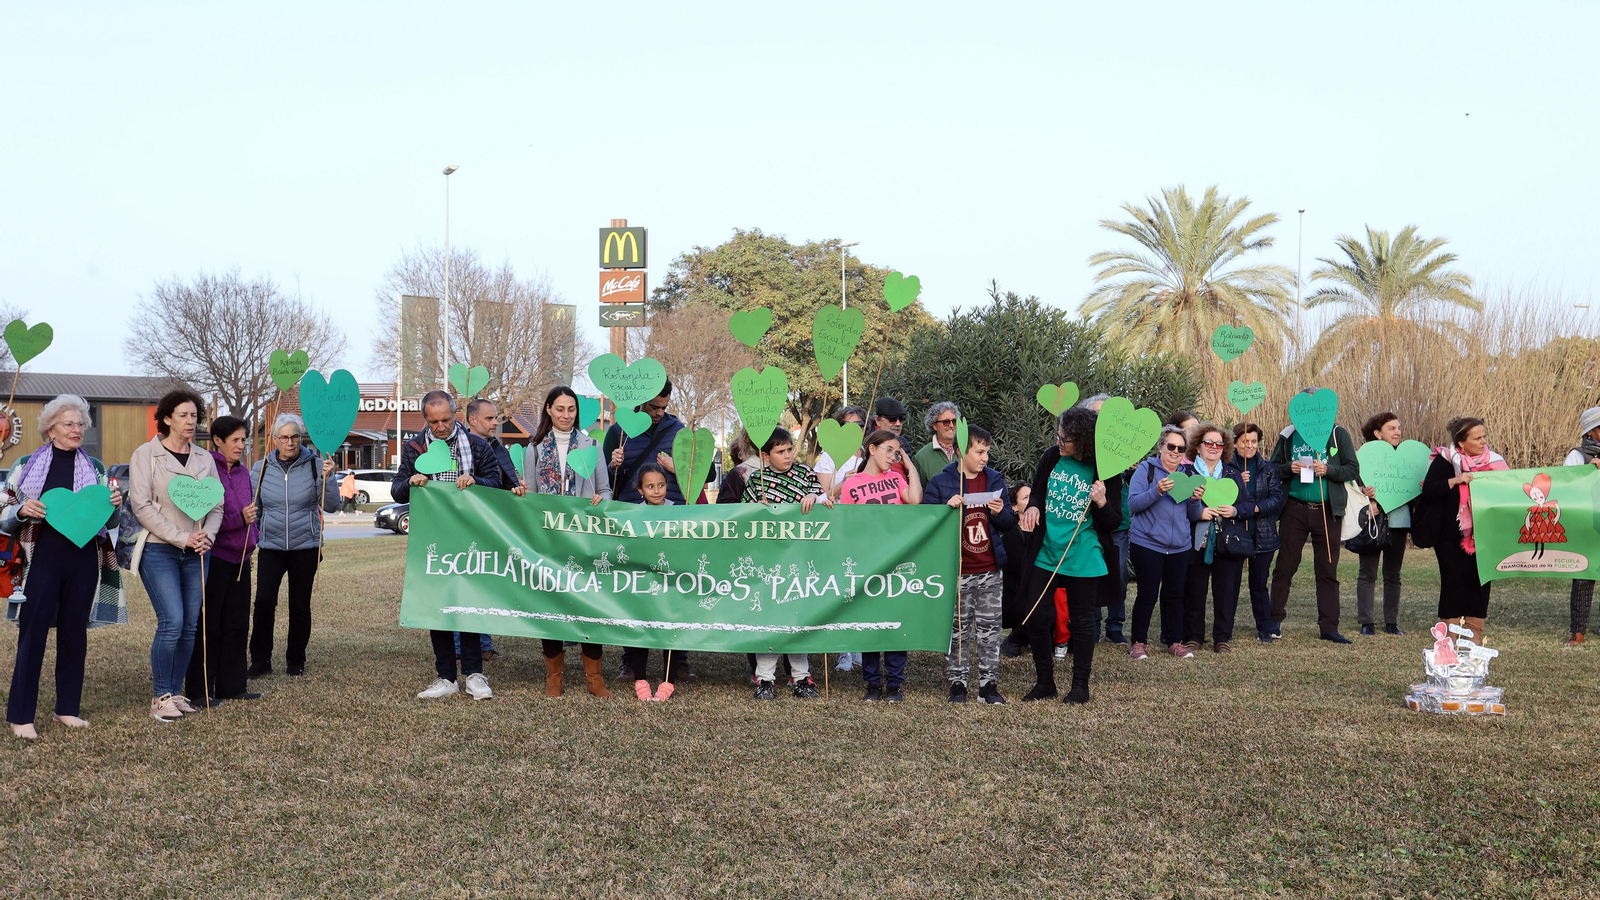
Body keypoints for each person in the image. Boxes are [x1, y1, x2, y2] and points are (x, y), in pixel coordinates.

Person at [2, 394, 125, 739]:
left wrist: (116, 505)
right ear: (50, 430)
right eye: (69, 424)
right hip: (41, 558)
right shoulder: (25, 465)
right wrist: (21, 511)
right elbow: (3, 514)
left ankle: (67, 709)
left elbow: (110, 519)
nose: (77, 429)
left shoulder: (97, 469)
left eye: (81, 424)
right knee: (33, 634)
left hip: (84, 559)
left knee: (74, 634)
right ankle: (21, 716)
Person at [393, 390, 503, 701]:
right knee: (436, 607)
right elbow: (397, 490)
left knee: (469, 602)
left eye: (446, 419)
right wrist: (411, 482)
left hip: (470, 534)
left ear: (455, 414)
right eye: (434, 421)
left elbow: (496, 482)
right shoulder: (414, 448)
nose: (441, 426)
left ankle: (474, 673)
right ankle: (445, 676)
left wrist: (476, 481)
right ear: (424, 419)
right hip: (432, 537)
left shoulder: (478, 445)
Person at [1016, 408, 1123, 703]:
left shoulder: (1105, 469)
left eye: (1067, 439)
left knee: (1082, 620)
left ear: (1085, 441)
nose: (1059, 442)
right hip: (1047, 551)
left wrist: (1101, 502)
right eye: (1059, 436)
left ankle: (1080, 686)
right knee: (1036, 617)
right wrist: (1034, 506)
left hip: (1083, 553)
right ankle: (1045, 682)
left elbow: (1114, 522)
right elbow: (1037, 491)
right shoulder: (1051, 457)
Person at [130, 389, 222, 721]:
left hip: (198, 552)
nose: (190, 421)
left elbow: (217, 505)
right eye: (183, 415)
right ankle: (160, 697)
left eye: (195, 416)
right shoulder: (145, 455)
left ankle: (175, 692)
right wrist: (183, 537)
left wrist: (207, 537)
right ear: (167, 418)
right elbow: (140, 507)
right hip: (159, 550)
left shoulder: (205, 458)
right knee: (172, 621)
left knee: (189, 626)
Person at [526, 386, 614, 697]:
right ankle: (555, 676)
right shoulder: (534, 449)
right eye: (560, 409)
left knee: (589, 603)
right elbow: (532, 500)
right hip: (550, 540)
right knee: (551, 604)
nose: (566, 415)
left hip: (584, 537)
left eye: (571, 409)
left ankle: (594, 676)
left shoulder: (591, 445)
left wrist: (597, 501)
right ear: (548, 409)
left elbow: (605, 490)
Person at [923, 425, 1013, 704]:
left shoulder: (995, 480)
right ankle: (958, 682)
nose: (985, 457)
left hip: (989, 568)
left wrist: (999, 513)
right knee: (958, 629)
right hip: (957, 571)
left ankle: (988, 684)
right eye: (980, 451)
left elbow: (1009, 523)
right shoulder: (941, 482)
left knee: (989, 630)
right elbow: (926, 523)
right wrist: (945, 511)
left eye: (987, 451)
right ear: (962, 451)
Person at [247, 413, 339, 679]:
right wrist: (256, 540)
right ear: (274, 439)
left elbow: (332, 506)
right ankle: (260, 660)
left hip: (305, 547)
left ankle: (296, 659)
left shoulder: (316, 465)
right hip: (271, 547)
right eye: (284, 437)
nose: (290, 442)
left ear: (301, 437)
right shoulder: (260, 468)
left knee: (300, 606)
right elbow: (257, 509)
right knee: (264, 603)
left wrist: (328, 478)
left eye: (295, 436)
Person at [741, 427, 829, 700]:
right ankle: (765, 680)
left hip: (800, 559)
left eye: (790, 449)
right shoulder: (757, 481)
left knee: (796, 618)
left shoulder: (805, 474)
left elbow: (827, 502)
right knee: (769, 620)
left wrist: (816, 497)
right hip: (767, 561)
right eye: (780, 451)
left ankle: (801, 678)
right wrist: (757, 508)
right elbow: (743, 517)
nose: (788, 455)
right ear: (765, 455)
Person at [1268, 388, 1360, 644]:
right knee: (1285, 566)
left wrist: (1328, 469)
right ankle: (1273, 621)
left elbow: (1352, 469)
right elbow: (1272, 468)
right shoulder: (1288, 435)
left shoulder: (1337, 434)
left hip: (1328, 510)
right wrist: (1289, 467)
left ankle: (1329, 627)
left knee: (1327, 569)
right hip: (1295, 509)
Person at [837, 429, 923, 702]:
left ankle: (895, 684)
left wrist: (909, 467)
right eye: (888, 449)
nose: (892, 456)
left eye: (896, 451)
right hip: (866, 561)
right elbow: (846, 525)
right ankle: (872, 683)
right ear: (872, 449)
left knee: (896, 621)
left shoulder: (896, 478)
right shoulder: (853, 483)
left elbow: (916, 500)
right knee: (869, 623)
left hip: (895, 560)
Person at [185, 416, 261, 705]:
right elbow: (204, 517)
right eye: (236, 440)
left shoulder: (243, 473)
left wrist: (250, 542)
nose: (242, 446)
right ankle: (202, 689)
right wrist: (238, 520)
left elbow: (251, 514)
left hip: (242, 559)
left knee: (238, 624)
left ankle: (233, 686)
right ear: (218, 440)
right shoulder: (205, 469)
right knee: (210, 625)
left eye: (244, 440)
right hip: (214, 558)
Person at [1421, 417, 1507, 643]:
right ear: (1461, 443)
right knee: (1453, 582)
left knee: (1481, 582)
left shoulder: (1495, 462)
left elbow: (1509, 492)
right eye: (1477, 438)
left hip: (1485, 534)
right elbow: (1429, 490)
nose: (1483, 441)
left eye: (1484, 436)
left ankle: (1474, 634)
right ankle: (1449, 634)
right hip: (1449, 537)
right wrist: (1455, 480)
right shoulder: (1444, 461)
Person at [1128, 425, 1201, 659]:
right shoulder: (1146, 470)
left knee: (1176, 594)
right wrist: (1157, 491)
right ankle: (1139, 642)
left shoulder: (1189, 475)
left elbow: (1193, 515)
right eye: (1171, 446)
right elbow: (1133, 505)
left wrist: (1194, 500)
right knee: (1147, 593)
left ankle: (1175, 642)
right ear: (1161, 446)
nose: (1175, 451)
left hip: (1180, 546)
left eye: (1181, 448)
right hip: (1147, 543)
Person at [1180, 422, 1254, 654]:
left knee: (1226, 591)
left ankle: (1222, 638)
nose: (1214, 447)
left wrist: (1235, 511)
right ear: (1198, 446)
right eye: (1208, 443)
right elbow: (1177, 506)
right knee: (1195, 589)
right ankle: (1193, 637)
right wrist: (1198, 511)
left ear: (1225, 448)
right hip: (1196, 540)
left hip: (1228, 541)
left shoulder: (1232, 473)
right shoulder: (1187, 473)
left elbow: (1249, 504)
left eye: (1219, 444)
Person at [460, 398, 522, 663]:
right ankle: (461, 647)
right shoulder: (459, 447)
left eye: (496, 418)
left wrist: (518, 488)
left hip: (490, 526)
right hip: (464, 525)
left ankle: (483, 645)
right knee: (461, 584)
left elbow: (505, 483)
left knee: (484, 585)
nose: (496, 423)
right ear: (472, 420)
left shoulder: (497, 447)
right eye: (490, 418)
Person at [622, 463, 684, 702]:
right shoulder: (633, 515)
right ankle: (640, 678)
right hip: (644, 583)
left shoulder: (678, 512)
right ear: (640, 490)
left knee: (670, 630)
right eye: (650, 487)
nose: (656, 491)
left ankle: (668, 681)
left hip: (671, 582)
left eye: (661, 485)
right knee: (642, 630)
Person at [1355, 412, 1410, 637]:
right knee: (1367, 573)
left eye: (1398, 427)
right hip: (1372, 523)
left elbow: (1410, 490)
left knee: (1393, 573)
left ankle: (1391, 622)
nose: (1397, 432)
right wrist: (1363, 493)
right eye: (1391, 428)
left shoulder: (1406, 459)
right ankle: (1367, 622)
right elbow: (1351, 486)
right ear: (1377, 433)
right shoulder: (1363, 458)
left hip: (1399, 522)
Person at [1082, 394, 1128, 646]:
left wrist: (1132, 470)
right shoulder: (1080, 446)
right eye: (1097, 414)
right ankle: (1094, 626)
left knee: (1118, 573)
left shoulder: (1122, 444)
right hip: (1087, 524)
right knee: (1091, 574)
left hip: (1116, 523)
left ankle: (1115, 625)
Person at [1232, 423, 1284, 642]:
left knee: (1259, 584)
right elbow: (1219, 496)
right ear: (1235, 443)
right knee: (1230, 584)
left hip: (1262, 533)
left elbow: (1277, 498)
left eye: (1254, 441)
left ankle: (1265, 628)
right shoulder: (1228, 466)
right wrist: (1237, 483)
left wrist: (1256, 508)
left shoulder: (1268, 468)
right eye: (1245, 441)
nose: (1250, 446)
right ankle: (1224, 629)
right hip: (1234, 533)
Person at [604, 379, 684, 504]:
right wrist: (613, 466)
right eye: (655, 407)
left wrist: (678, 468)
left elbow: (706, 475)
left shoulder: (678, 431)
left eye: (664, 408)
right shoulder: (619, 431)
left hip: (673, 514)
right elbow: (602, 482)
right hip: (632, 514)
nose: (660, 413)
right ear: (642, 401)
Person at [1564, 407, 1600, 646]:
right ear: (1592, 431)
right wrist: (1588, 472)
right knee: (1585, 576)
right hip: (1587, 522)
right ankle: (1577, 632)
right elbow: (1566, 486)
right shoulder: (1577, 456)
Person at [999, 483, 1033, 657]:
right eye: (1025, 497)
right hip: (1017, 594)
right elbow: (1020, 567)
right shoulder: (1012, 533)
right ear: (1014, 506)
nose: (1030, 500)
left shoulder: (1042, 529)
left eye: (1032, 496)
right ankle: (1013, 639)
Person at [814, 405, 867, 495]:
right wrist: (843, 483)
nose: (851, 429)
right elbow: (819, 498)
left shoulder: (872, 456)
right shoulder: (828, 458)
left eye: (858, 425)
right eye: (846, 425)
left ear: (864, 430)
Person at [869, 398, 919, 488]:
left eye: (901, 419)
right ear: (878, 420)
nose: (898, 423)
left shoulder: (903, 443)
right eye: (892, 419)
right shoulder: (866, 443)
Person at [912, 400, 962, 485]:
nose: (951, 425)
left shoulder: (968, 449)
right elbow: (919, 492)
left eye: (954, 421)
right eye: (946, 422)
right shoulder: (922, 457)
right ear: (934, 425)